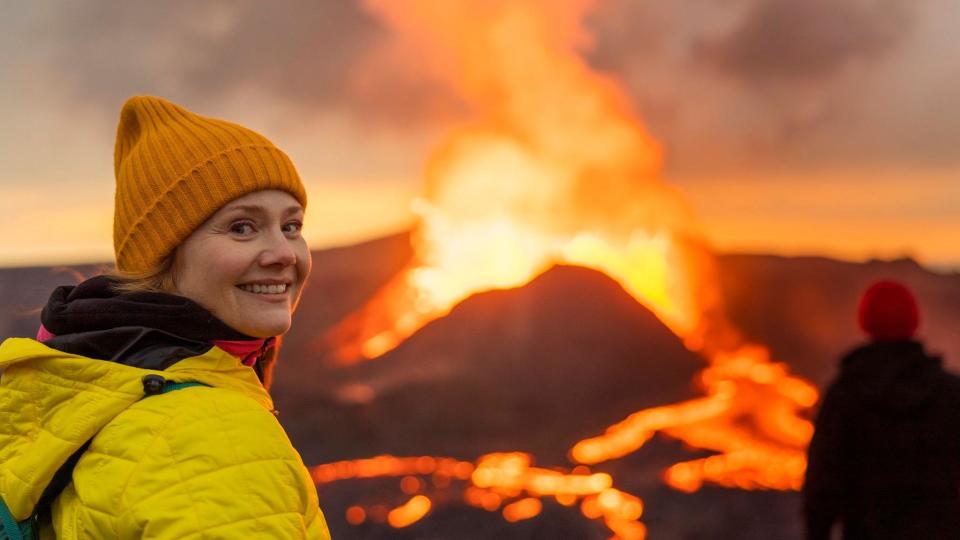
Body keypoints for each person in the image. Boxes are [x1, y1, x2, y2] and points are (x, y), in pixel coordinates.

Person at [0, 96, 331, 538]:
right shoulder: (210, 434)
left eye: (291, 226)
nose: (284, 253)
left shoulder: (89, 386)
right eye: (242, 227)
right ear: (163, 256)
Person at [803, 280, 960, 540]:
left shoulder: (845, 395)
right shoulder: (949, 392)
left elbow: (823, 483)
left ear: (865, 322)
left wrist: (816, 532)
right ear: (914, 322)